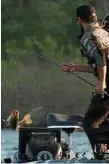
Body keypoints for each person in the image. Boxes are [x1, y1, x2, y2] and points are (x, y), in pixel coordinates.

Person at [61, 5, 109, 156]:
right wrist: (75, 67)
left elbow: (101, 58)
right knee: (103, 121)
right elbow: (98, 64)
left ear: (79, 20)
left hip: (107, 85)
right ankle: (104, 155)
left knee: (90, 123)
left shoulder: (89, 36)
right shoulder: (103, 32)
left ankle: (101, 157)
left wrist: (102, 83)